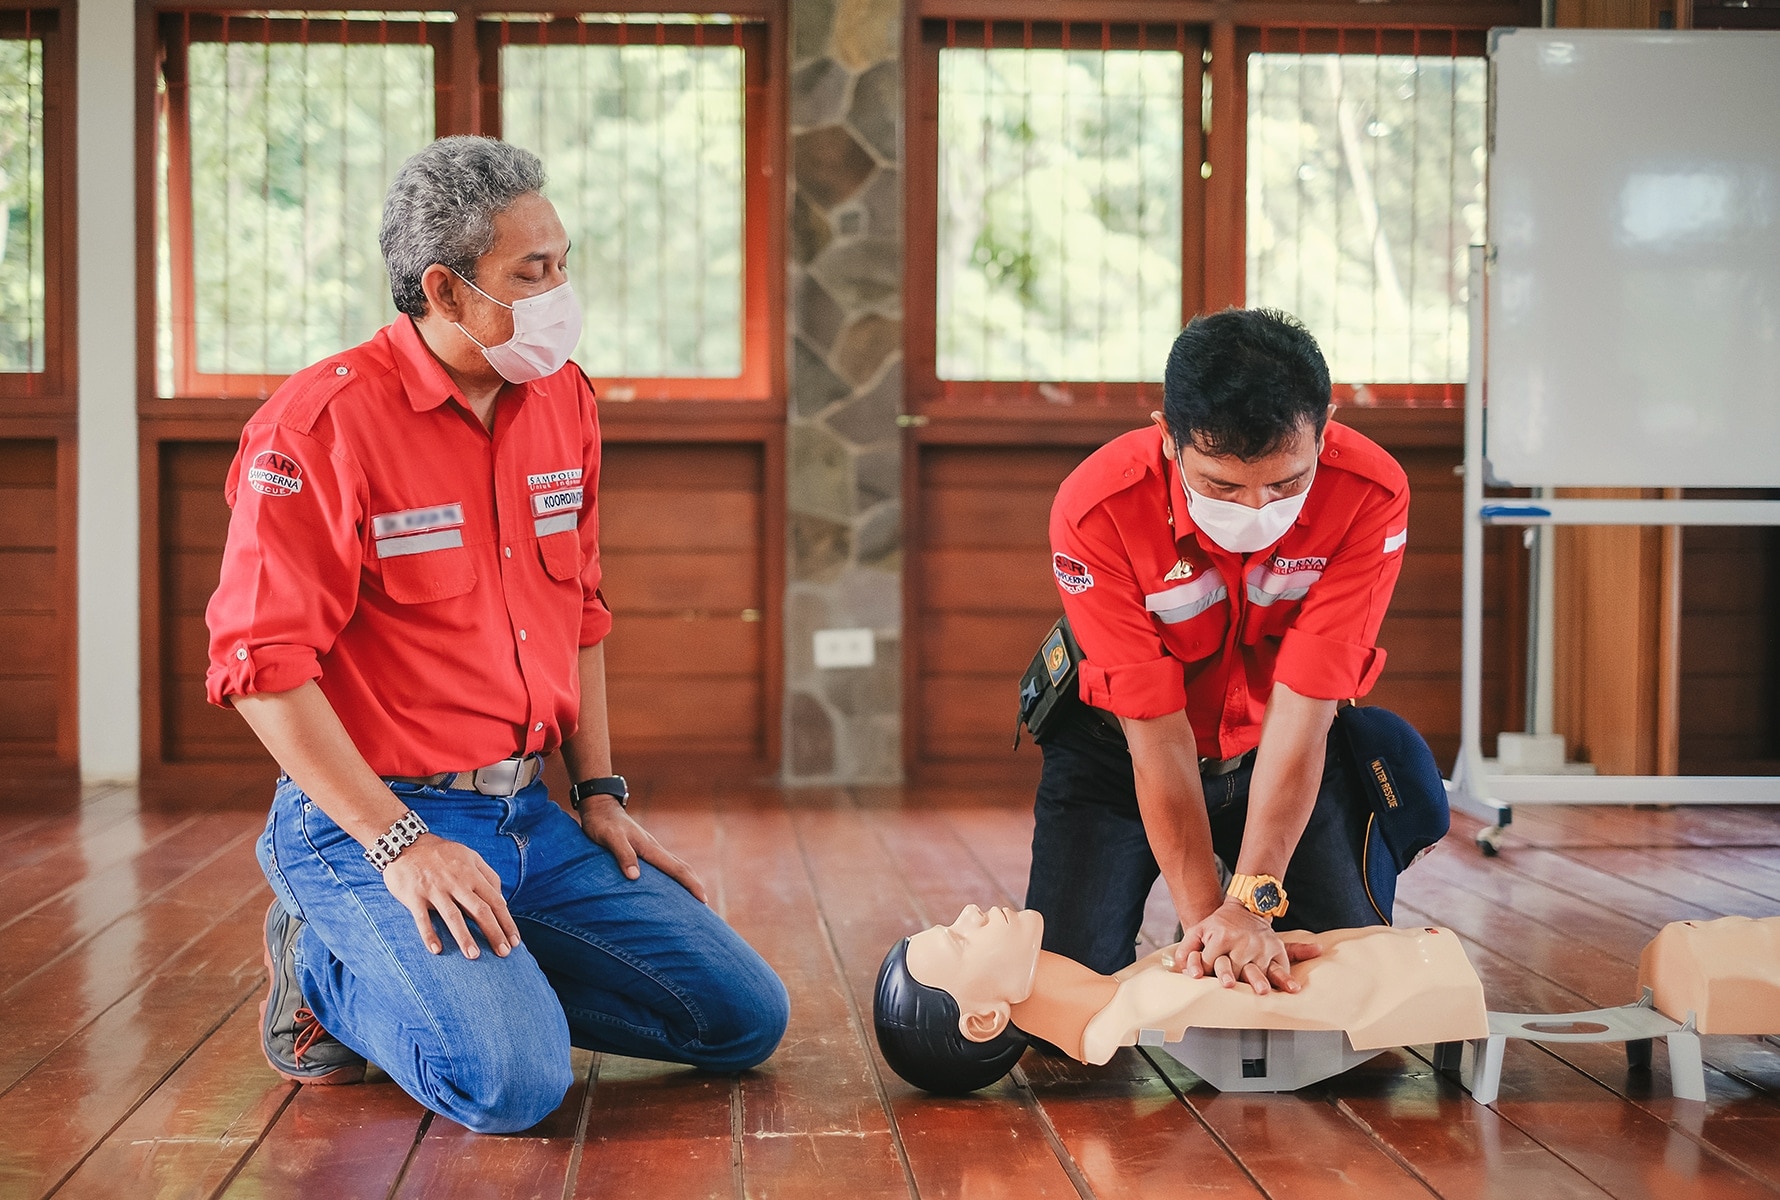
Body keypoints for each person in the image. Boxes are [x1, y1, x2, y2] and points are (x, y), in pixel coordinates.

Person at [205, 136, 788, 1134]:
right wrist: (401, 845)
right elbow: (260, 669)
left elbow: (582, 617)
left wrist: (599, 793)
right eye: (534, 271)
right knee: (511, 1086)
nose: (562, 289)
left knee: (740, 1021)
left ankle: (489, 982)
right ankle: (324, 972)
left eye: (564, 262)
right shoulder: (318, 425)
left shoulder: (561, 398)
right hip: (375, 824)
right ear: (445, 287)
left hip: (531, 819)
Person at [1027, 308, 1424, 989]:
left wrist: (1250, 904)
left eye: (1286, 483)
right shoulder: (1096, 508)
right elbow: (1155, 737)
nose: (1255, 508)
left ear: (1323, 427)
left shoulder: (1370, 493)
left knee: (1346, 1003)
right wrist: (1210, 929)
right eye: (1221, 485)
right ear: (1168, 439)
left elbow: (1305, 712)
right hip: (1121, 753)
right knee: (1068, 1001)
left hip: (1282, 747)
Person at [874, 905, 1486, 1091]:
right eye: (958, 937)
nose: (971, 912)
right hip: (1431, 972)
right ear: (985, 1019)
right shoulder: (1144, 1008)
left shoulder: (1128, 993)